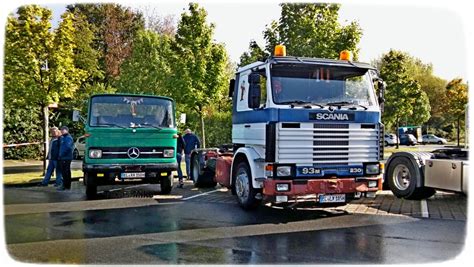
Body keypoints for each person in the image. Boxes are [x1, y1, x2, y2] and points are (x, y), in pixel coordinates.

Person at [57, 126, 74, 191]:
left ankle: (66, 185)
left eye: (62, 130)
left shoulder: (68, 138)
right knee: (65, 172)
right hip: (64, 157)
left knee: (65, 172)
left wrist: (61, 154)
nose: (61, 131)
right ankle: (66, 185)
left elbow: (67, 147)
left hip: (66, 158)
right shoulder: (63, 138)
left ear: (66, 130)